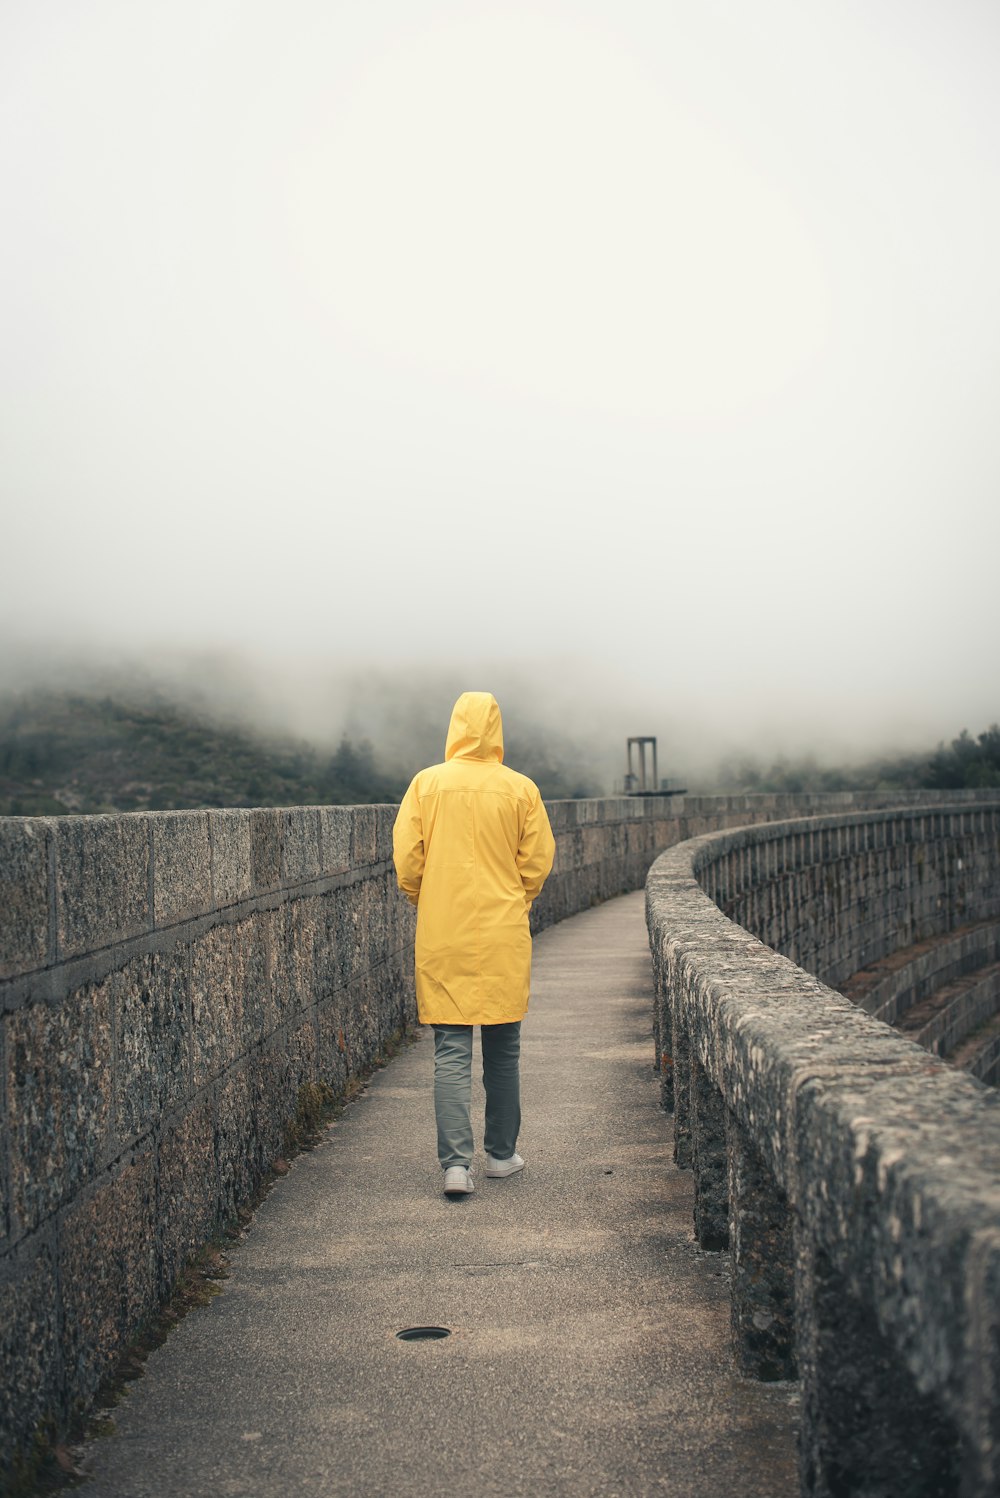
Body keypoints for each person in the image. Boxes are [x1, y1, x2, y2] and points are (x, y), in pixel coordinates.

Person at [392, 691, 556, 1198]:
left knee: (451, 1048)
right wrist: (515, 899)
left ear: (456, 727)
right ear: (496, 729)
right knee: (504, 1050)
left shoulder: (426, 785)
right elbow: (537, 862)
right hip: (503, 932)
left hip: (445, 931)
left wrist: (429, 897)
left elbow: (407, 861)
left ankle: (455, 1166)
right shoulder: (520, 789)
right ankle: (502, 1156)